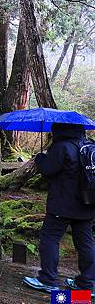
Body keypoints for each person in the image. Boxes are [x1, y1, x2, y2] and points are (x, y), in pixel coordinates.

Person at [23, 123, 95, 293]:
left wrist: (40, 158)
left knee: (49, 238)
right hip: (87, 203)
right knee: (85, 242)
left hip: (62, 205)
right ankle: (88, 283)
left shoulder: (62, 147)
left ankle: (48, 279)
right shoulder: (89, 145)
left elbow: (47, 170)